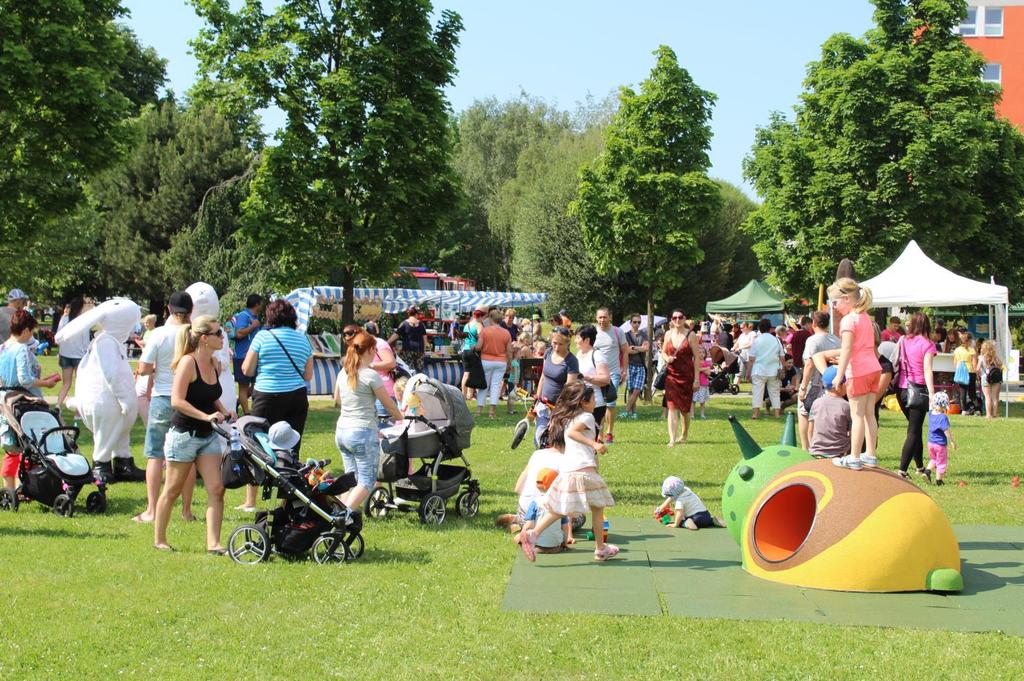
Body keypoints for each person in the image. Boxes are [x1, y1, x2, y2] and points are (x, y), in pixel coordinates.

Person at [153, 315, 234, 554]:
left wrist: (223, 410)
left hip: (207, 436)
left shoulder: (214, 363)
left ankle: (214, 544)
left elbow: (210, 394)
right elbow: (177, 401)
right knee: (172, 489)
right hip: (184, 435)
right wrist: (205, 416)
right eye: (218, 334)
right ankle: (159, 539)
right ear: (204, 338)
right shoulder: (188, 363)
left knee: (217, 489)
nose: (222, 338)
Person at [516, 382, 617, 562]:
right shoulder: (585, 417)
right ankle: (600, 548)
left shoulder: (571, 417)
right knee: (597, 508)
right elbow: (571, 433)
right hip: (583, 471)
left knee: (561, 509)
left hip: (572, 470)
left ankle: (533, 534)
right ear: (584, 402)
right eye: (594, 398)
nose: (596, 401)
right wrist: (594, 444)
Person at [57, 299, 147, 485]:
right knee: (106, 434)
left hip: (112, 401)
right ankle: (101, 465)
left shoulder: (112, 341)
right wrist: (124, 398)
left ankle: (123, 463)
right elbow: (111, 373)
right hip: (105, 401)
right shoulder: (105, 342)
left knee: (120, 433)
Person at [240, 298, 313, 511]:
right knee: (291, 446)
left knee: (256, 445)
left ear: (271, 317)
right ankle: (288, 499)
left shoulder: (262, 336)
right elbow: (308, 374)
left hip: (267, 396)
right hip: (296, 396)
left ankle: (251, 501)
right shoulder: (302, 340)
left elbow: (247, 369)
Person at [137, 292, 197, 523]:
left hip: (163, 396)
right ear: (190, 312)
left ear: (169, 309)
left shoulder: (159, 334)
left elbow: (143, 368)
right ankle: (186, 511)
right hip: (188, 399)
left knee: (154, 454)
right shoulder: (193, 334)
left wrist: (155, 371)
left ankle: (152, 510)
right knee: (188, 455)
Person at [334, 331, 403, 513]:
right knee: (366, 481)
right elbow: (388, 404)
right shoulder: (371, 375)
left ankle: (338, 510)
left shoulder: (344, 372)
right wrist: (401, 417)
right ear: (372, 350)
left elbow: (337, 399)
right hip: (361, 432)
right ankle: (343, 515)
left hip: (341, 431)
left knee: (351, 478)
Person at [1, 310, 61, 492]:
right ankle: (32, 488)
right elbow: (25, 379)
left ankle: (10, 489)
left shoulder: (3, 347)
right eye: (31, 332)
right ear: (25, 330)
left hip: (7, 403)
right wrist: (46, 383)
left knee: (12, 449)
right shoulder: (20, 348)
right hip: (24, 403)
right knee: (33, 445)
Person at [825, 278, 881, 471]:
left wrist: (838, 375)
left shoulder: (848, 320)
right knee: (868, 414)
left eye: (835, 302)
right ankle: (870, 455)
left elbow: (846, 349)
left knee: (857, 415)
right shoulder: (865, 316)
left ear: (847, 298)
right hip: (874, 368)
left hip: (858, 371)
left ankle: (854, 457)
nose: (834, 306)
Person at [895, 312, 936, 481]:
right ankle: (902, 471)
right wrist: (932, 393)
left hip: (901, 390)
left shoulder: (903, 340)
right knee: (913, 431)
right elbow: (927, 370)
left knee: (916, 428)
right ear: (927, 325)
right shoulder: (927, 344)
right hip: (918, 390)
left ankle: (919, 466)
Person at [796, 312, 840, 450]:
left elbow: (809, 364)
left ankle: (806, 448)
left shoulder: (812, 340)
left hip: (813, 384)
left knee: (804, 414)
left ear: (814, 323)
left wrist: (802, 388)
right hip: (831, 384)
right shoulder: (837, 340)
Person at [496, 445, 563, 533]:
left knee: (530, 518)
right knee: (578, 520)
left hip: (525, 508)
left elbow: (518, 488)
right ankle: (520, 523)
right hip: (549, 513)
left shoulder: (537, 454)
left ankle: (519, 520)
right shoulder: (567, 460)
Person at [532, 326, 579, 446]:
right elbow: (543, 376)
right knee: (540, 438)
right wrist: (537, 399)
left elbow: (569, 388)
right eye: (554, 343)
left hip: (560, 408)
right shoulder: (548, 352)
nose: (557, 347)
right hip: (543, 404)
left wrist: (557, 412)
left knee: (555, 442)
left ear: (567, 343)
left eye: (561, 344)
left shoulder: (571, 361)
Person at [661, 310, 700, 446]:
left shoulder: (691, 335)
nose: (677, 320)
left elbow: (697, 358)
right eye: (674, 317)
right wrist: (668, 358)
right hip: (671, 376)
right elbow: (663, 352)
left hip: (687, 376)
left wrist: (696, 379)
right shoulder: (668, 334)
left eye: (680, 317)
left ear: (684, 319)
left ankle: (684, 434)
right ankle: (672, 439)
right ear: (671, 320)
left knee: (684, 409)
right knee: (672, 407)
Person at [516, 468, 571, 553]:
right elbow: (565, 526)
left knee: (529, 529)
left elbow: (530, 523)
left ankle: (525, 540)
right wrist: (565, 542)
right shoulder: (560, 503)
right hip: (556, 546)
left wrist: (523, 532)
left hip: (538, 545)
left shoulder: (535, 502)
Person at [594, 308, 627, 443]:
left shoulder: (617, 332)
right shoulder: (592, 332)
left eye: (605, 317)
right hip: (597, 373)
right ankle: (599, 434)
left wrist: (624, 370)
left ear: (610, 317)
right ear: (596, 318)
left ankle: (609, 432)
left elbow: (625, 351)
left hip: (613, 372)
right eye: (600, 317)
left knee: (611, 404)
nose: (602, 320)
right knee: (599, 404)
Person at [808, 366, 851, 458]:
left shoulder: (816, 403)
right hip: (839, 452)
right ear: (839, 385)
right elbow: (852, 433)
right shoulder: (846, 406)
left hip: (817, 452)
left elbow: (810, 430)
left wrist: (812, 447)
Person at [476, 309, 512, 418]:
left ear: (491, 318)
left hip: (486, 360)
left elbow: (478, 347)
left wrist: (473, 347)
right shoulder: (506, 333)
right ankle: (492, 412)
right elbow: (509, 351)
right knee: (496, 386)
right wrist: (509, 364)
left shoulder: (485, 331)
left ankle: (479, 411)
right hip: (501, 362)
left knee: (483, 386)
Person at [230, 294, 263, 416]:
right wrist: (253, 326)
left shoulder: (254, 316)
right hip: (242, 357)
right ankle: (247, 414)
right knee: (243, 387)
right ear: (257, 304)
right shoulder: (244, 316)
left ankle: (240, 402)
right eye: (260, 304)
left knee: (256, 385)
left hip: (253, 356)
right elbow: (239, 333)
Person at [54, 297, 88, 410]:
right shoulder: (83, 321)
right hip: (79, 356)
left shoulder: (65, 318)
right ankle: (78, 411)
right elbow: (86, 342)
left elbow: (58, 336)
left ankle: (58, 404)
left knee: (66, 383)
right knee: (80, 384)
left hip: (65, 354)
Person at [655, 476, 725, 530]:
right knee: (708, 520)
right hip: (706, 515)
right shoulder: (686, 489)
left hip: (695, 519)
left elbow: (680, 513)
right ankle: (713, 520)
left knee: (681, 520)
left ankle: (687, 523)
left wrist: (676, 524)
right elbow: (672, 497)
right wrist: (662, 507)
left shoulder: (680, 501)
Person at [575, 324, 610, 429]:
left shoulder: (597, 355)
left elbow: (605, 379)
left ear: (587, 340)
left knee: (589, 437)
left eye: (578, 337)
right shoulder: (578, 354)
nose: (575, 340)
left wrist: (585, 377)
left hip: (596, 403)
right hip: (580, 402)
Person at [750, 318, 785, 419]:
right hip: (774, 370)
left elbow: (751, 358)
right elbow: (782, 357)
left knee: (757, 393)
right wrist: (783, 369)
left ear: (759, 329)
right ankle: (777, 414)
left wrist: (748, 371)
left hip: (758, 370)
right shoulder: (776, 340)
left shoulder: (756, 340)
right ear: (770, 329)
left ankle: (755, 414)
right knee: (775, 393)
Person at [926, 391, 956, 486]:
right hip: (940, 445)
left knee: (933, 459)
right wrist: (952, 441)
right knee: (941, 462)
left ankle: (927, 471)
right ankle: (939, 481)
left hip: (930, 443)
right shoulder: (943, 417)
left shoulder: (930, 414)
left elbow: (931, 405)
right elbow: (946, 431)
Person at [624, 315, 650, 419]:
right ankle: (633, 413)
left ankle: (626, 411)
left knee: (637, 390)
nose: (637, 324)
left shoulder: (644, 335)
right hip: (630, 365)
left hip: (641, 365)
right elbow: (626, 350)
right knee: (631, 390)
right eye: (634, 322)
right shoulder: (626, 335)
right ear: (630, 323)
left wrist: (634, 347)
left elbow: (646, 348)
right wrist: (640, 348)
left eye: (639, 322)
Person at [388, 307, 428, 372]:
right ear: (416, 314)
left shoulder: (404, 323)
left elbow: (396, 335)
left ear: (409, 314)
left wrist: (387, 342)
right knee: (419, 369)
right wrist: (424, 349)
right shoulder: (421, 324)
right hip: (419, 349)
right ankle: (420, 381)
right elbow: (425, 339)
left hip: (407, 349)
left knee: (408, 369)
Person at [460, 307, 485, 399]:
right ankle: (476, 395)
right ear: (481, 317)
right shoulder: (479, 325)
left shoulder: (467, 325)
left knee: (466, 373)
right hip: (474, 350)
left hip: (465, 350)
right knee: (476, 373)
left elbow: (464, 337)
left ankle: (464, 395)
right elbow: (481, 338)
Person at [977, 340, 1004, 419]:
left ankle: (989, 415)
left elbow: (977, 369)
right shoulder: (995, 357)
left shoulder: (981, 357)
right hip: (995, 378)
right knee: (995, 397)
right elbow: (1001, 365)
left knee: (987, 397)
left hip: (985, 378)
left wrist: (979, 375)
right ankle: (995, 414)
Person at [953, 331, 978, 414]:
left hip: (961, 372)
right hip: (970, 371)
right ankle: (977, 409)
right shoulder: (972, 350)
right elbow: (974, 363)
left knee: (962, 392)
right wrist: (977, 373)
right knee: (972, 392)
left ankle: (963, 409)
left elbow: (955, 363)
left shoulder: (957, 350)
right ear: (969, 341)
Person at [789, 316, 812, 381]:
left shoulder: (795, 333)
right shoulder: (807, 334)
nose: (811, 326)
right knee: (806, 379)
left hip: (795, 359)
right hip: (804, 360)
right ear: (807, 324)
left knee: (797, 380)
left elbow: (791, 345)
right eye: (811, 324)